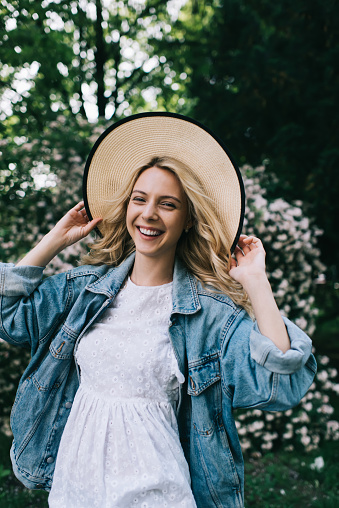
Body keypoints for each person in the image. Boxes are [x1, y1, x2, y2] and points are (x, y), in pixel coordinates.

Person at [0, 113, 316, 508]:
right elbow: (7, 316)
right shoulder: (83, 291)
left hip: (155, 493)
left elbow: (281, 382)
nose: (149, 213)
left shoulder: (209, 317)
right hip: (74, 489)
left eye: (167, 205)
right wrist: (53, 241)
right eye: (139, 199)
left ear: (187, 220)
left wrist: (255, 282)